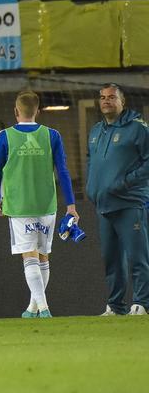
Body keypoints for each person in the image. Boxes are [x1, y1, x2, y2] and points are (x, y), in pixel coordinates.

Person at [0, 91, 79, 318]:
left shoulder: (6, 136)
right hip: (47, 204)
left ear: (16, 111)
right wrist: (71, 205)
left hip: (19, 205)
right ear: (38, 111)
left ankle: (45, 308)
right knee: (43, 255)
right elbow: (64, 172)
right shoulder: (53, 135)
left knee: (29, 256)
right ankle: (32, 308)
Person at [86, 84, 149, 316]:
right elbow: (90, 160)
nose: (106, 101)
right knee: (111, 260)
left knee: (138, 257)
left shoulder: (138, 128)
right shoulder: (95, 131)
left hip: (130, 203)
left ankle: (142, 303)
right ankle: (115, 306)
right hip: (103, 205)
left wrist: (125, 182)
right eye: (102, 97)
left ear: (123, 101)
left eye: (112, 97)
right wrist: (92, 188)